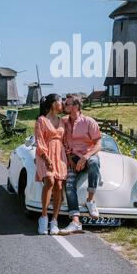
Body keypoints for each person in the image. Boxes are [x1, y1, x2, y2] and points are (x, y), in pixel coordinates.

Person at [60, 94, 101, 235]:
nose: (64, 106)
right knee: (69, 183)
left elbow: (98, 143)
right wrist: (70, 157)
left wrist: (86, 156)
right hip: (73, 158)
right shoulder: (64, 122)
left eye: (67, 104)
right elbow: (63, 142)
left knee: (95, 162)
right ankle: (76, 221)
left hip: (88, 156)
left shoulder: (89, 121)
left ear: (76, 106)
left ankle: (90, 200)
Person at [34, 93, 67, 235]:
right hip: (45, 154)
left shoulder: (62, 121)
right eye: (61, 101)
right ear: (54, 104)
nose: (63, 104)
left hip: (60, 155)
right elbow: (40, 142)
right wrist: (46, 159)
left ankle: (54, 220)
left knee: (59, 185)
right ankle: (43, 217)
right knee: (49, 181)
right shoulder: (41, 121)